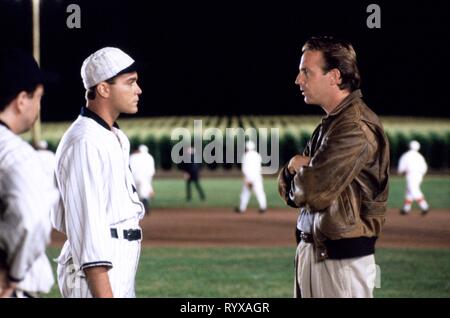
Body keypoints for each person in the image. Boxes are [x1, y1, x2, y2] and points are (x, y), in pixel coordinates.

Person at [277, 36, 390, 298]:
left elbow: (311, 194)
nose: (298, 80)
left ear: (335, 76)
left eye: (306, 71)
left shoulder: (355, 126)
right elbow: (289, 189)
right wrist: (297, 168)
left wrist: (299, 168)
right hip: (316, 252)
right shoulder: (331, 124)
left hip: (340, 261)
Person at [51, 47, 144, 298]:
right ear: (103, 88)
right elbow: (88, 230)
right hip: (94, 272)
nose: (139, 90)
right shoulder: (85, 141)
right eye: (130, 82)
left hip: (117, 262)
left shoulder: (111, 136)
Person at [0, 49, 58, 298]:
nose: (38, 106)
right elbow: (32, 218)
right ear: (22, 99)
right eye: (39, 97)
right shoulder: (15, 153)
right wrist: (13, 277)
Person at [235, 140, 267, 214]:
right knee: (260, 192)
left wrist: (245, 179)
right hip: (257, 177)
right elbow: (259, 167)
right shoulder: (257, 155)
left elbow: (244, 169)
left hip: (248, 177)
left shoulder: (245, 156)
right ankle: (263, 207)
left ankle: (242, 209)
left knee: (245, 193)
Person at [398, 140, 429, 215]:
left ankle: (425, 206)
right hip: (419, 175)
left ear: (409, 146)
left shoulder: (406, 155)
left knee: (414, 190)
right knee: (410, 190)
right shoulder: (420, 156)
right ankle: (406, 208)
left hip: (411, 174)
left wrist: (400, 171)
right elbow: (425, 167)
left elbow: (401, 167)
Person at [129, 144, 156, 215]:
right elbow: (152, 171)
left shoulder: (133, 157)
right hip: (146, 178)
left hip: (134, 177)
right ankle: (145, 208)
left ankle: (138, 209)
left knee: (135, 193)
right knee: (144, 193)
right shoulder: (149, 157)